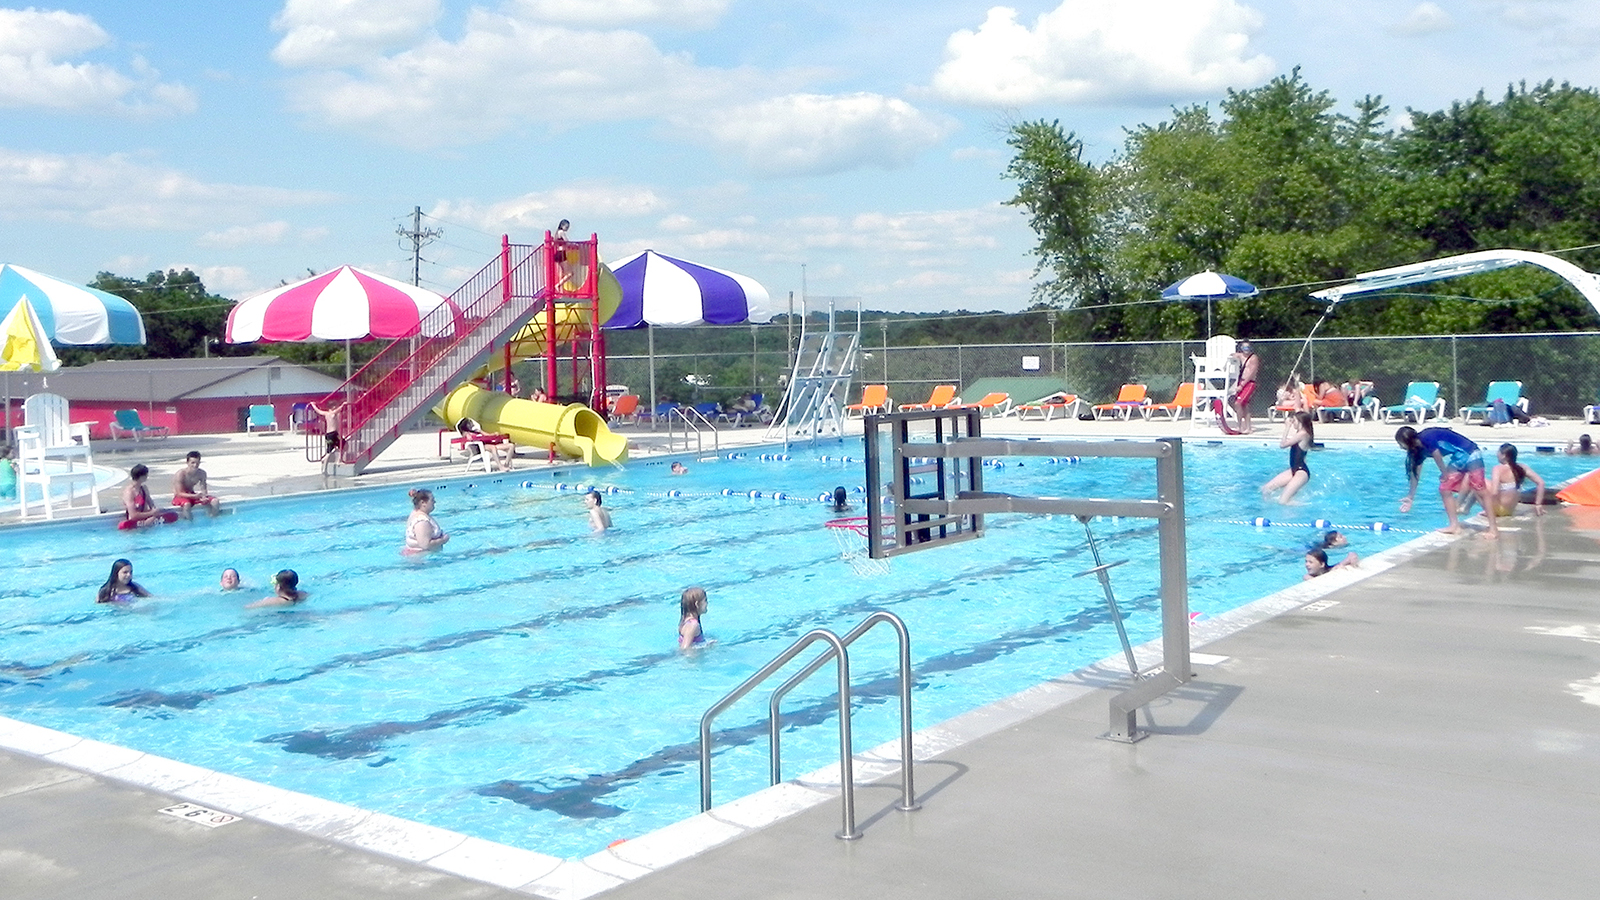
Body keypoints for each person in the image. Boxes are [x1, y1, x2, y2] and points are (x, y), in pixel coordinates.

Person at [1396, 426, 1498, 539]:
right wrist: (1411, 497)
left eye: (1400, 444)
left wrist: (1444, 473)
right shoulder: (1417, 451)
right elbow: (1415, 474)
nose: (1401, 447)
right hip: (1459, 458)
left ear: (1406, 441)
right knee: (1445, 489)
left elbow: (1437, 454)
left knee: (1481, 490)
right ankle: (1454, 526)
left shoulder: (1426, 437)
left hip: (1471, 452)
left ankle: (1493, 529)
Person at [1262, 411, 1314, 504]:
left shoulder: (1303, 434)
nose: (1292, 422)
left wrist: (1287, 427)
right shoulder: (1301, 432)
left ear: (1300, 421)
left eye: (1294, 420)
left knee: (1283, 501)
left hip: (1301, 472)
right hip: (1294, 470)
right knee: (1266, 489)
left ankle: (1307, 506)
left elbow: (1283, 445)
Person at [1483, 443, 1546, 518]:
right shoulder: (1521, 468)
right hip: (1510, 510)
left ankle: (1485, 511)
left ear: (1504, 456)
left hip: (1499, 510)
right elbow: (1541, 483)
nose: (1497, 454)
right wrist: (1538, 504)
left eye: (1498, 452)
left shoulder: (1498, 469)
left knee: (1477, 482)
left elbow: (1494, 492)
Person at [121, 464, 176, 528]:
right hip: (135, 521)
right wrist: (152, 514)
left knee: (172, 514)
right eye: (146, 475)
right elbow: (133, 515)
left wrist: (154, 513)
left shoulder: (144, 488)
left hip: (147, 517)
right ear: (142, 476)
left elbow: (151, 504)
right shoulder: (129, 492)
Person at [171, 450, 221, 517]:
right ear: (187, 462)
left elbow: (203, 487)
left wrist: (204, 496)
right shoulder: (180, 474)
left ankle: (213, 520)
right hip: (180, 497)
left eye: (197, 463)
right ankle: (189, 523)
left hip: (192, 494)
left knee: (215, 501)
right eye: (193, 463)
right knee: (187, 505)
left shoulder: (201, 473)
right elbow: (179, 493)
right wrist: (194, 496)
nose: (195, 465)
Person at [405, 488, 450, 553]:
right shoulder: (422, 521)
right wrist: (443, 540)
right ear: (423, 503)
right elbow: (425, 545)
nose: (434, 502)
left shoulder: (416, 513)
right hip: (423, 558)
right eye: (432, 500)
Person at [1229, 341, 1260, 434]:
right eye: (1244, 348)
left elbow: (1251, 373)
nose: (1246, 350)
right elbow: (1233, 354)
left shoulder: (1253, 358)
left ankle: (1240, 426)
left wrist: (1241, 386)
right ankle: (1248, 428)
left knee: (1238, 403)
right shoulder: (1241, 356)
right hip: (1241, 381)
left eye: (1248, 348)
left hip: (1249, 383)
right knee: (1244, 405)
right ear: (1241, 349)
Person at [309, 399, 346, 474]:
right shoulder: (332, 413)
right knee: (330, 451)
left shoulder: (326, 413)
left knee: (343, 444)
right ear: (331, 408)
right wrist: (343, 404)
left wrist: (313, 405)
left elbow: (318, 411)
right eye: (334, 407)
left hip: (330, 434)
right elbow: (339, 410)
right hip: (333, 434)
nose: (336, 408)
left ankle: (337, 461)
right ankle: (329, 461)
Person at [553, 219, 575, 289]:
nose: (567, 228)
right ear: (562, 225)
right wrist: (573, 245)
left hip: (558, 253)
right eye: (566, 226)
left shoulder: (556, 233)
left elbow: (554, 243)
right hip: (562, 253)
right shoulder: (561, 232)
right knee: (570, 273)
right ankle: (558, 285)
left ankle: (560, 289)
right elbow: (567, 241)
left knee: (561, 272)